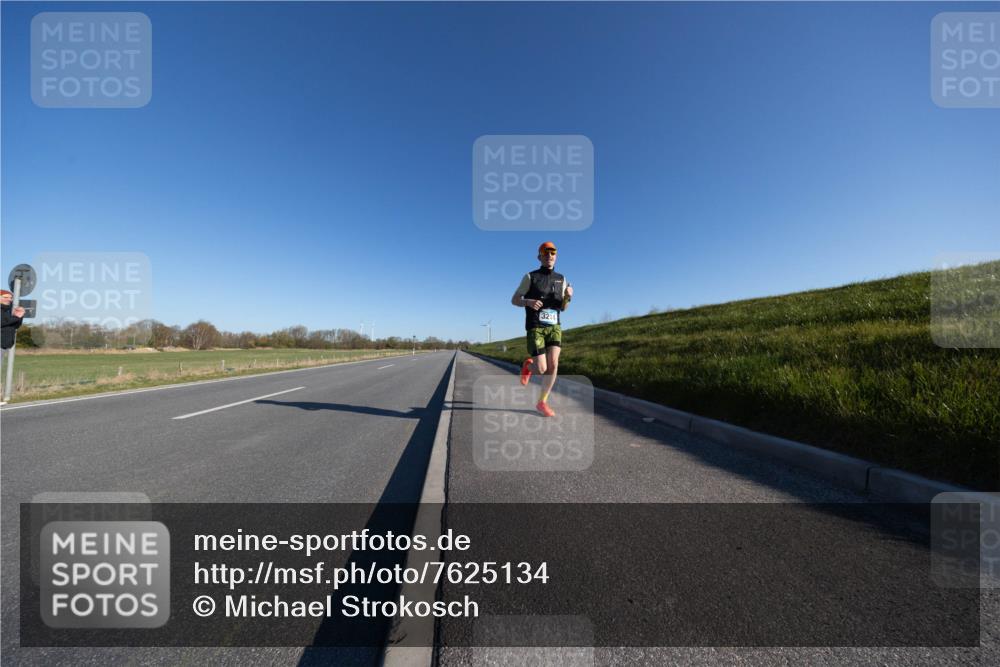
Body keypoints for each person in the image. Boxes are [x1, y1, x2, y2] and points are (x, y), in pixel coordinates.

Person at [511, 241, 573, 417]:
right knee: (542, 368)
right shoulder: (530, 277)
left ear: (556, 256)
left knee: (554, 364)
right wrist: (527, 301)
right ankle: (529, 367)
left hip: (554, 326)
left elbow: (563, 308)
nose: (549, 256)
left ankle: (542, 402)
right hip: (535, 325)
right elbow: (514, 299)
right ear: (539, 257)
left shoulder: (562, 279)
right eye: (546, 253)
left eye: (553, 253)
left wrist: (568, 298)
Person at [1, 289, 25, 405]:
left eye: (10, 298)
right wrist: (16, 317)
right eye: (6, 297)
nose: (9, 300)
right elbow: (2, 321)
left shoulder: (8, 310)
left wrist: (19, 317)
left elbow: (15, 325)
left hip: (4, 343)